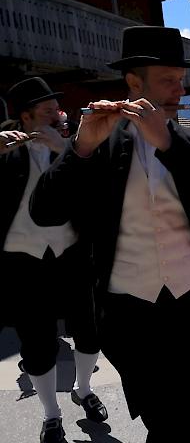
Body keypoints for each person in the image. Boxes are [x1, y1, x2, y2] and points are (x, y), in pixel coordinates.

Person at [29, 26, 190, 443]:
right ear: (133, 83)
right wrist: (81, 148)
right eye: (168, 79)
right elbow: (44, 211)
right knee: (160, 420)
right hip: (131, 313)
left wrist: (166, 141)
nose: (179, 88)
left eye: (181, 79)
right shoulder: (102, 145)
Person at [0, 77, 107, 443]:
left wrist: (66, 150)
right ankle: (51, 413)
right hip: (23, 260)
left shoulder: (73, 143)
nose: (55, 112)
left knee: (90, 332)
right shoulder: (5, 146)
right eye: (45, 109)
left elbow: (98, 189)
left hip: (72, 254)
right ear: (26, 117)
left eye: (54, 108)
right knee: (37, 343)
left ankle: (83, 388)